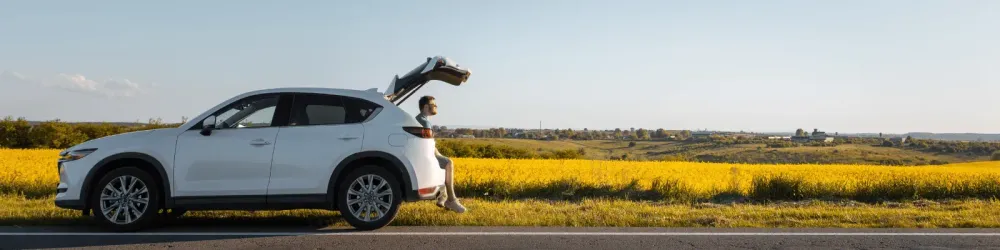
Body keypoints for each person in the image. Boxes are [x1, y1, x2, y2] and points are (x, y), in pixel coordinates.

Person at [415, 95, 467, 213]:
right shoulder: (424, 122)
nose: (436, 107)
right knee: (448, 163)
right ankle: (451, 200)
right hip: (424, 156)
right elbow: (429, 146)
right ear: (426, 106)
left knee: (443, 162)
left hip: (422, 154)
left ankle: (442, 196)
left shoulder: (418, 119)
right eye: (434, 105)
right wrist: (440, 157)